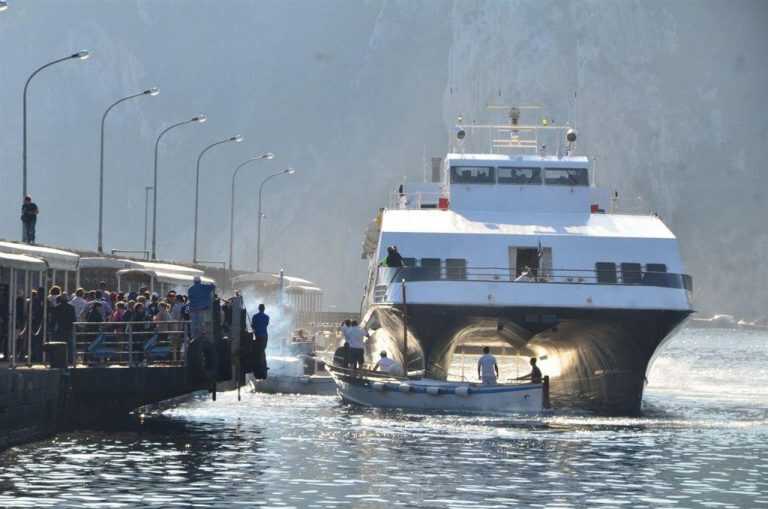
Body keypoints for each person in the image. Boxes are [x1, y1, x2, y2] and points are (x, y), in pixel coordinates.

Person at [251, 304, 270, 379]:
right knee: (262, 350)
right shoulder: (267, 317)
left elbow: (253, 325)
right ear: (264, 309)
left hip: (258, 336)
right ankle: (263, 366)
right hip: (265, 336)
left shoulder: (255, 316)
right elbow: (266, 325)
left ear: (258, 309)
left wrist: (254, 327)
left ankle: (260, 366)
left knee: (259, 351)